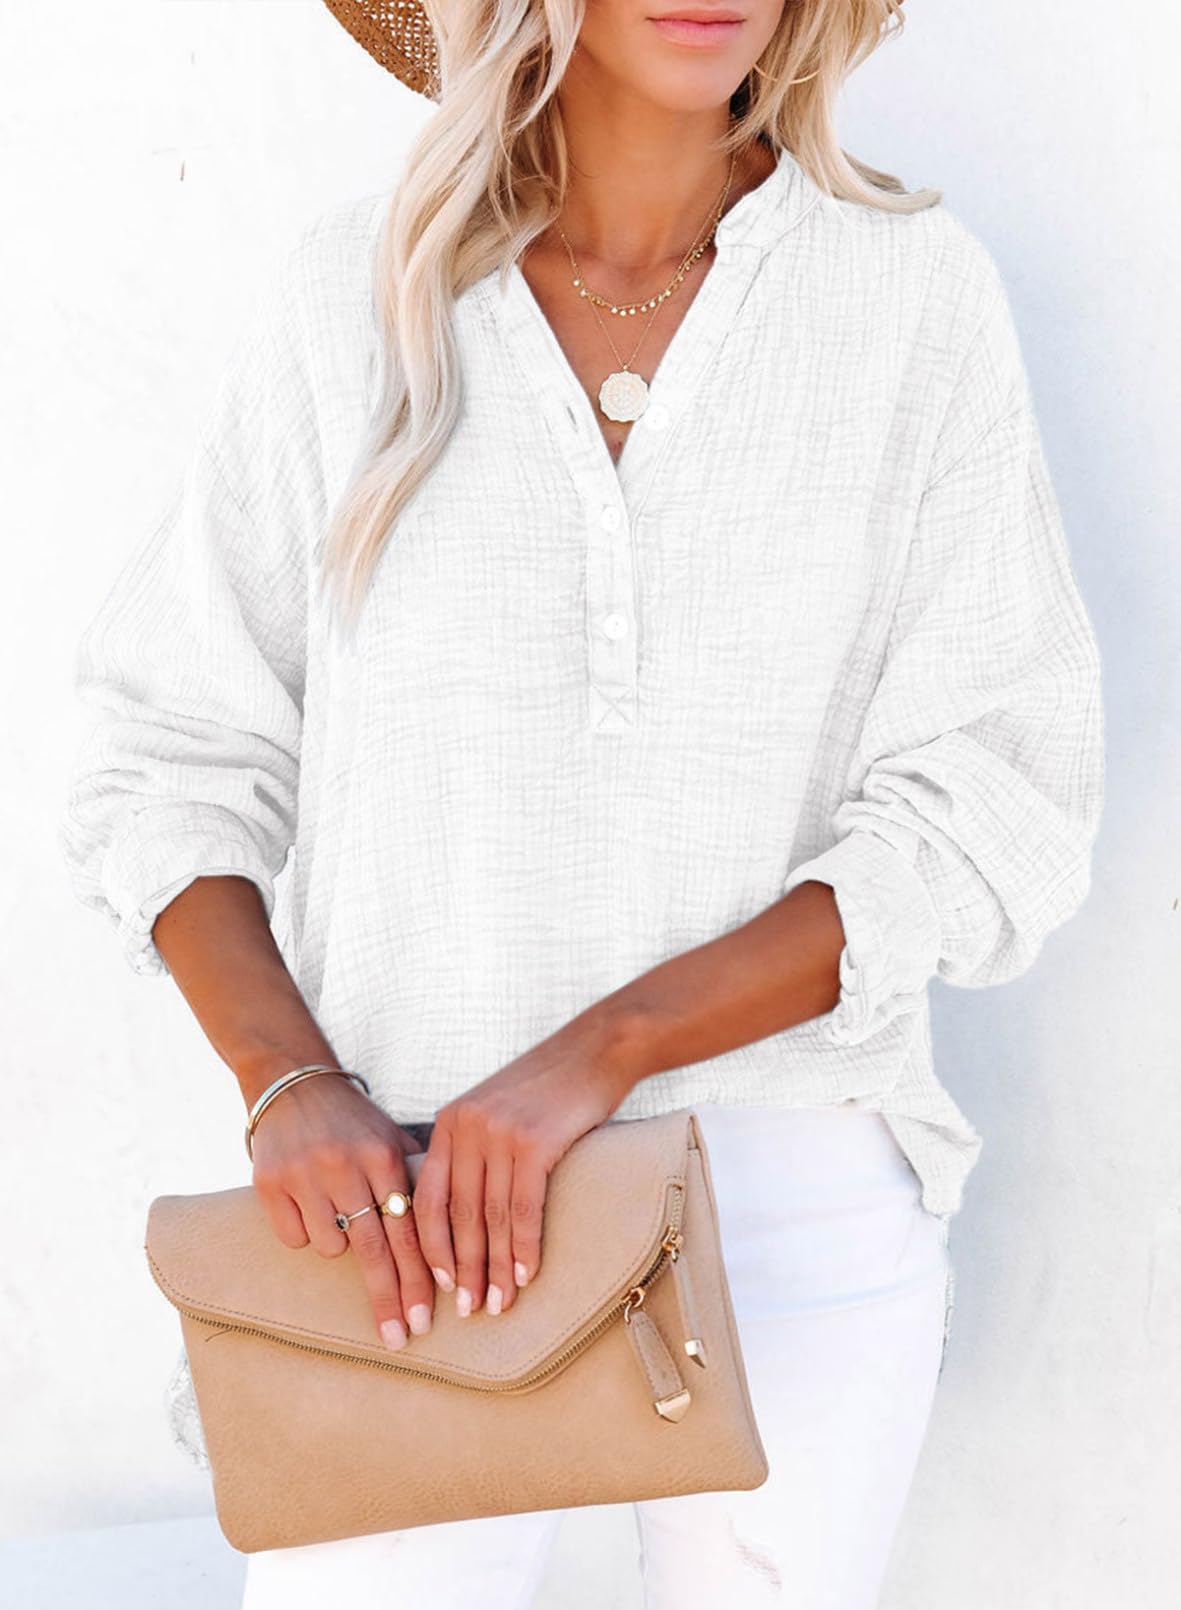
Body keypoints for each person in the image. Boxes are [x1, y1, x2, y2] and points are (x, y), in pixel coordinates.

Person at [58, 1, 1105, 1605]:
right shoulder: (356, 297)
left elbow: (989, 794)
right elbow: (168, 748)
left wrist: (599, 1054)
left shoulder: (908, 299)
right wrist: (289, 1079)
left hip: (785, 1201)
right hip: (407, 1227)